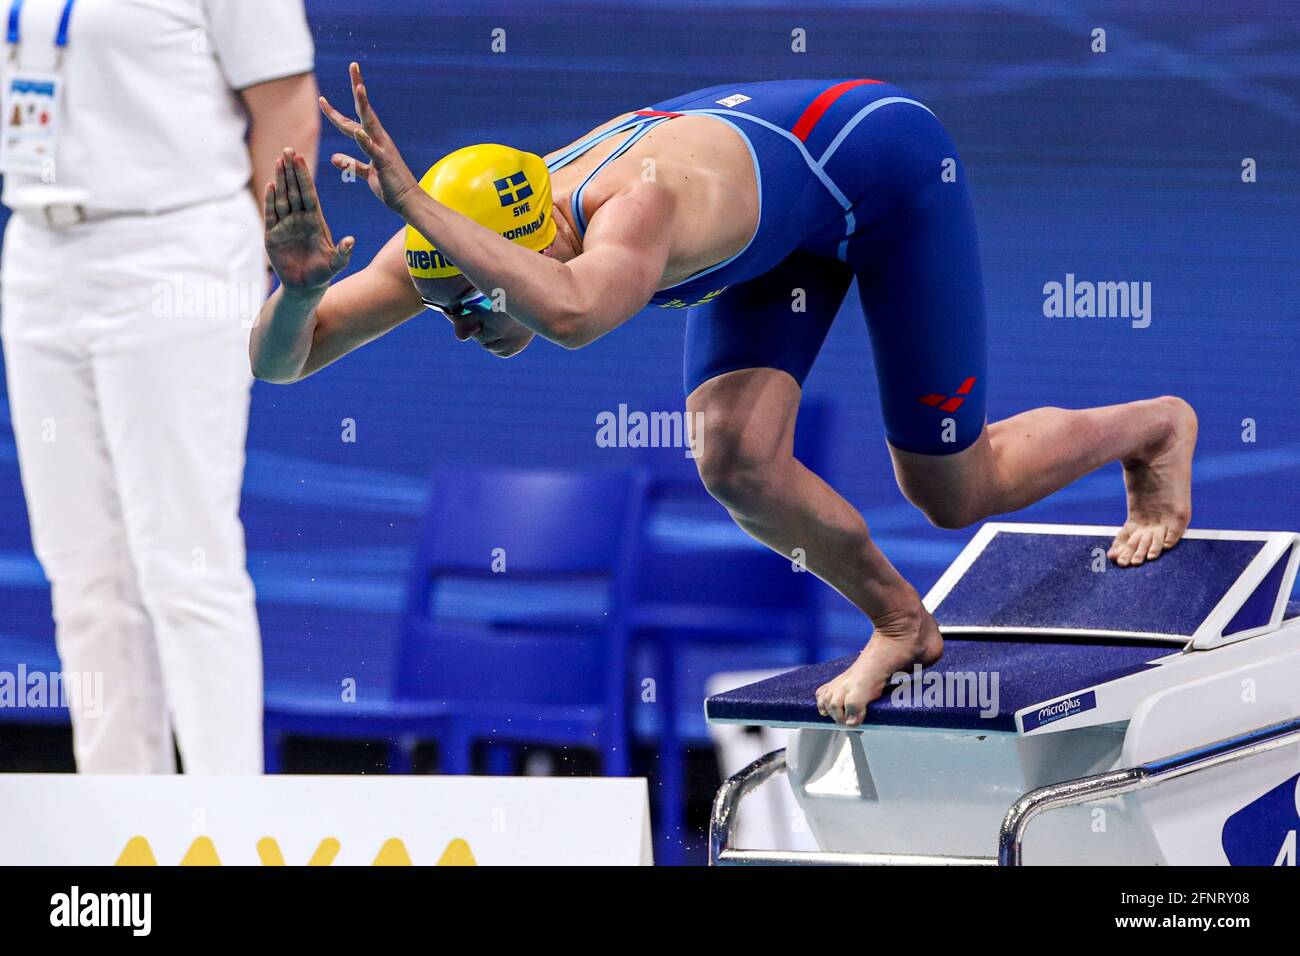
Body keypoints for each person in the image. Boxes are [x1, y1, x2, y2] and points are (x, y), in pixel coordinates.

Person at [250, 64, 1197, 728]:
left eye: (478, 298)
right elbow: (281, 364)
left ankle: (1153, 431)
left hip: (880, 168)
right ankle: (901, 623)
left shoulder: (635, 207)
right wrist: (296, 294)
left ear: (536, 241)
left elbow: (579, 313)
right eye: (447, 302)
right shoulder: (451, 243)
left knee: (954, 490)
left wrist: (417, 205)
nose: (462, 324)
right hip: (767, 217)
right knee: (734, 458)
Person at [0, 0, 318, 772]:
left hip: (175, 252)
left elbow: (288, 114)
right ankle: (117, 824)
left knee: (187, 562)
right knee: (82, 573)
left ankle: (227, 824)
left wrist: (249, 266)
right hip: (40, 254)